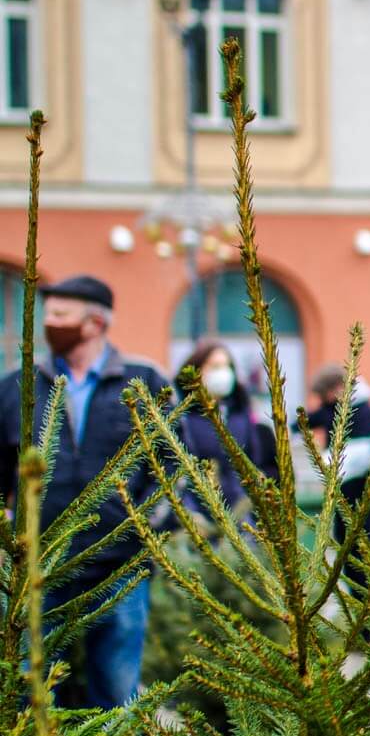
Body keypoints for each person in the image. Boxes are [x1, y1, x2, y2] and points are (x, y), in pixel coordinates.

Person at [0, 274, 166, 708]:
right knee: (27, 687)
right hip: (38, 564)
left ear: (94, 323)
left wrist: (150, 522)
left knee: (116, 684)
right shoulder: (18, 386)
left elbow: (171, 463)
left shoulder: (143, 381)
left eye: (59, 315)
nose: (49, 323)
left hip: (119, 563)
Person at [173, 339, 273, 525]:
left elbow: (253, 464)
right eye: (215, 366)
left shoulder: (240, 416)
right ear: (197, 370)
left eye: (227, 366)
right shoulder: (182, 418)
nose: (223, 372)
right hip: (196, 521)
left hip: (241, 520)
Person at [305, 365, 370, 592]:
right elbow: (313, 418)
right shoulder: (338, 408)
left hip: (359, 487)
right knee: (346, 543)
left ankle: (366, 597)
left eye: (325, 395)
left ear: (337, 388)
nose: (323, 401)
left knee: (361, 545)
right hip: (345, 487)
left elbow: (366, 453)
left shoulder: (360, 412)